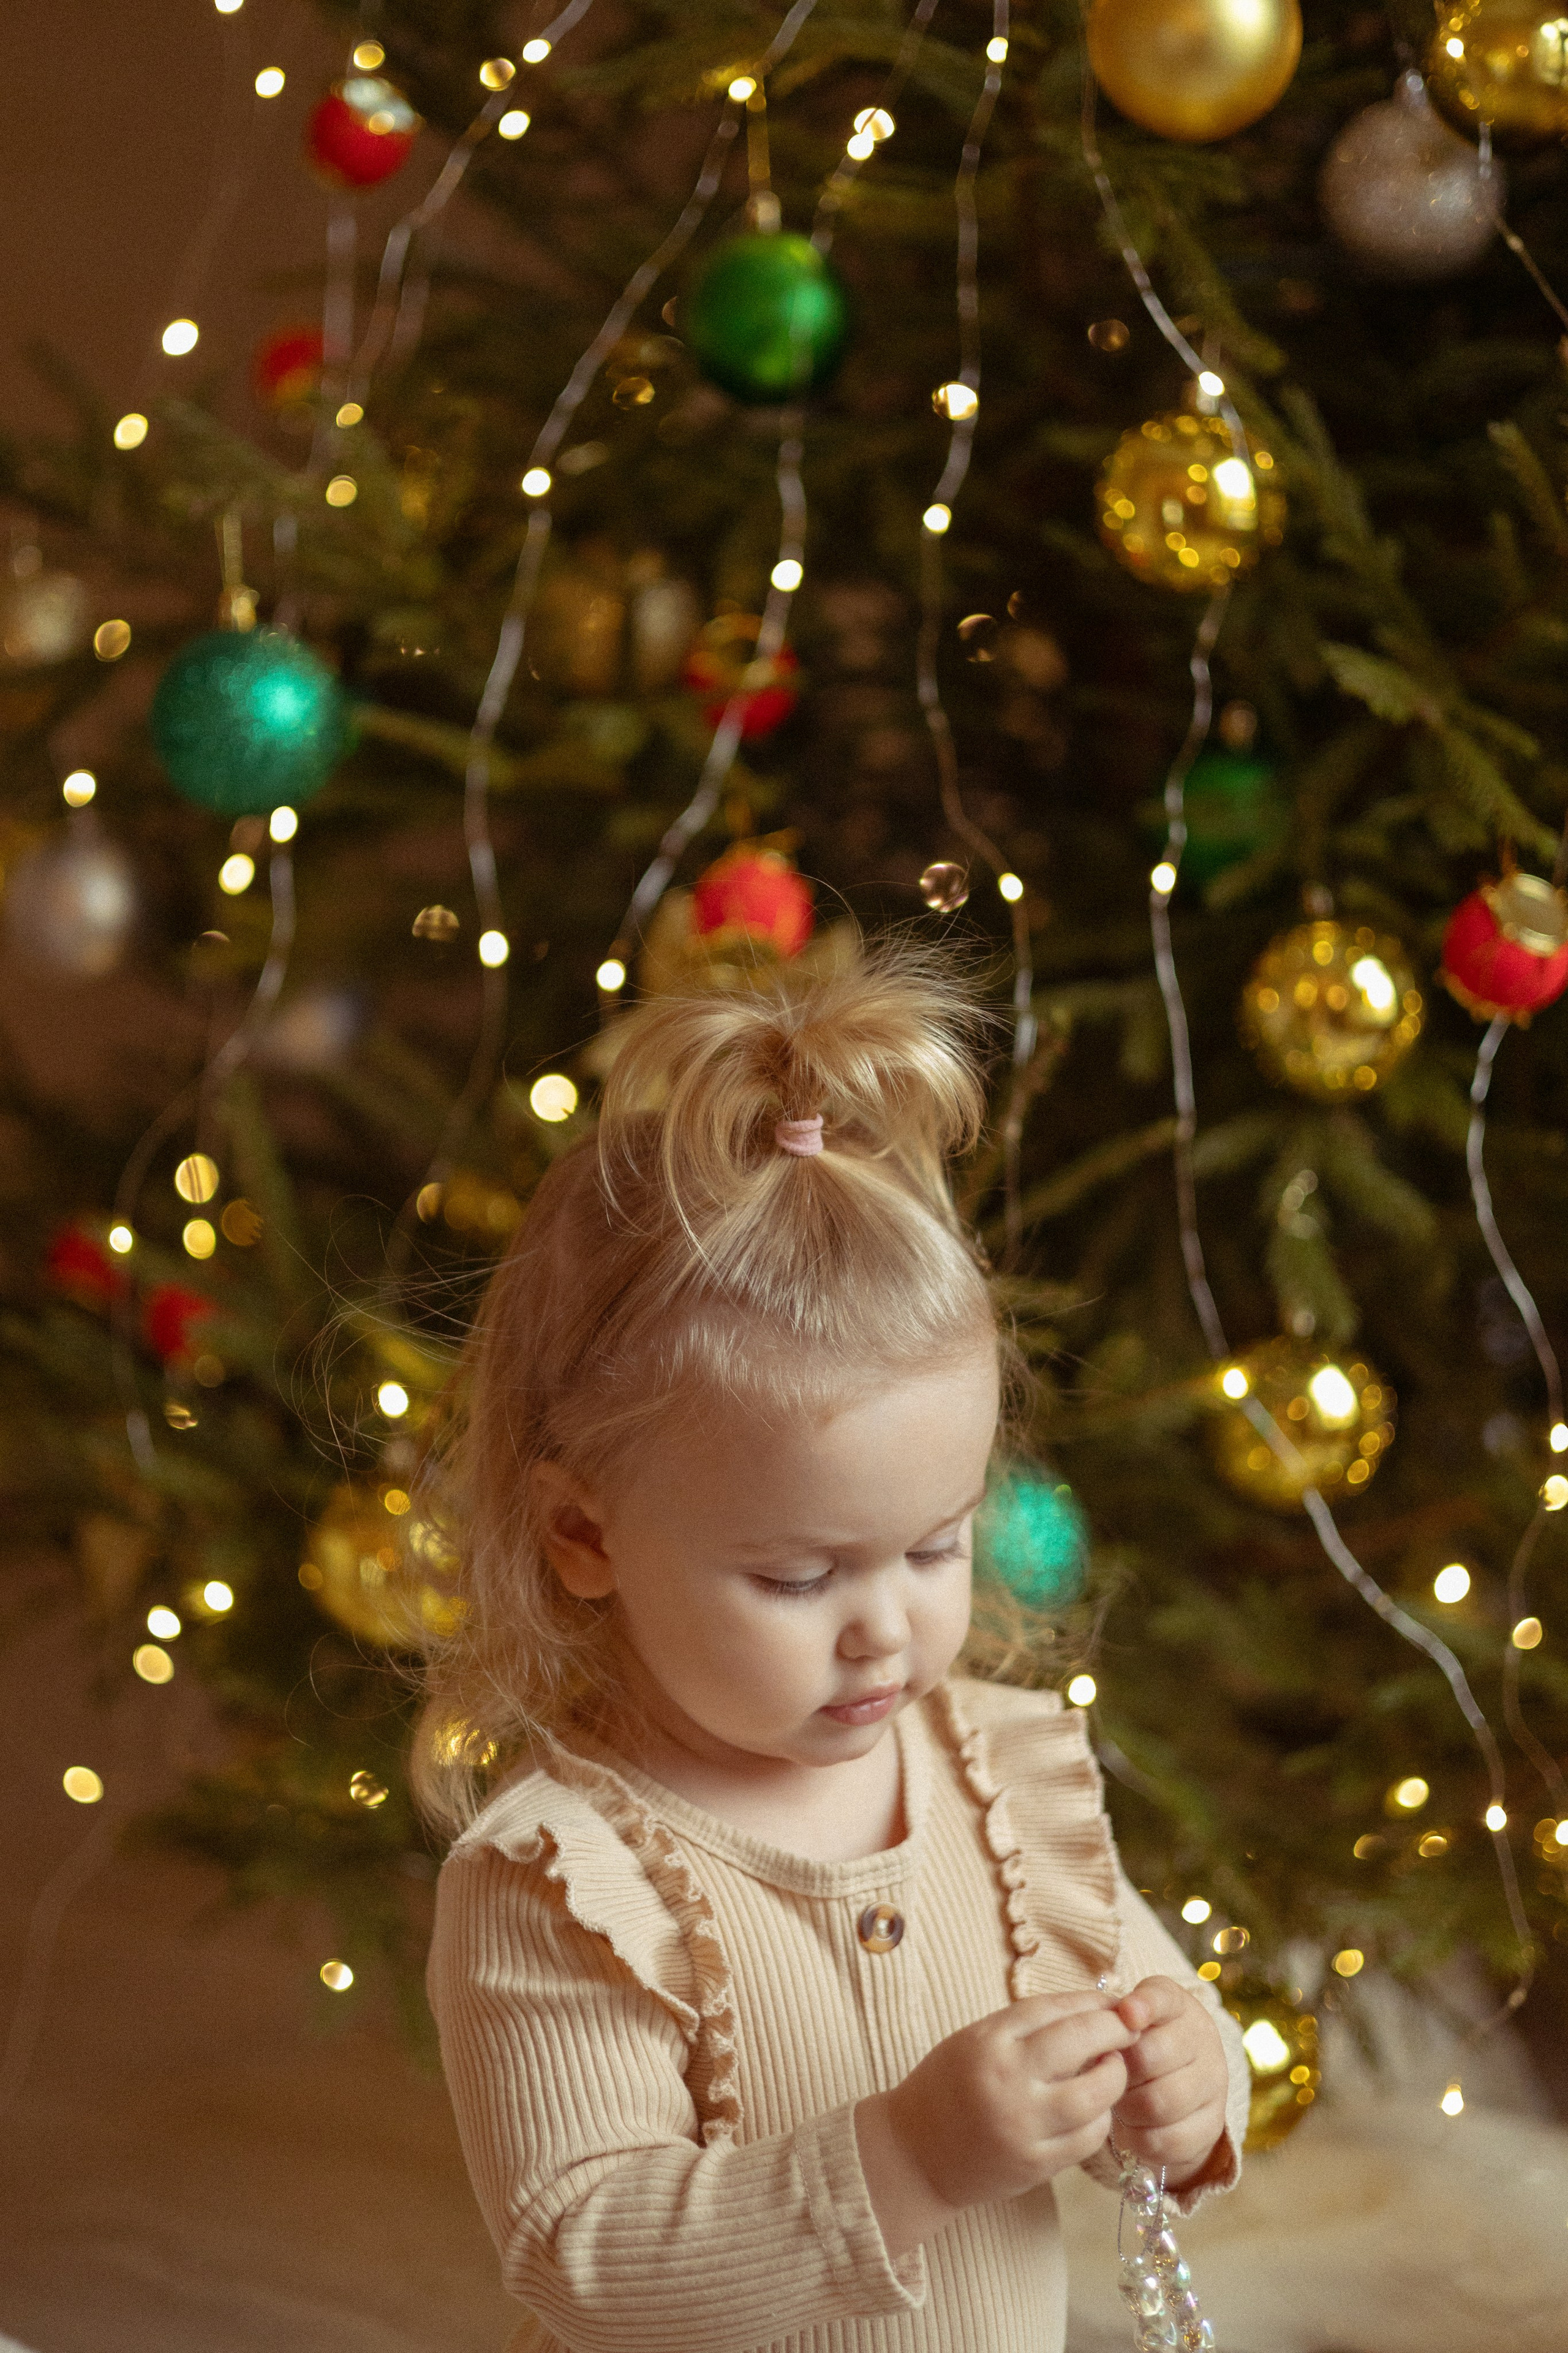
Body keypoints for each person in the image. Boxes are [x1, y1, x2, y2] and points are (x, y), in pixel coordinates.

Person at [421, 946, 1248, 2353]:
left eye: (933, 1546)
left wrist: (1185, 2081)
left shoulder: (999, 1780)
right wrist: (907, 2156)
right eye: (798, 1575)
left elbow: (1153, 2009)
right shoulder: (562, 1887)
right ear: (583, 1533)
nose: (886, 1625)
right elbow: (588, 2264)